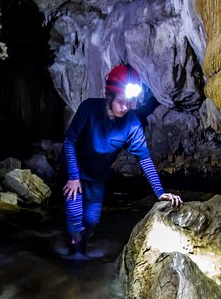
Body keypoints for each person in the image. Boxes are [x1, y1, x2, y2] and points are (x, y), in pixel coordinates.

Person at [62, 63, 183, 254]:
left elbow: (144, 159)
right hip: (75, 170)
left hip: (97, 177)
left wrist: (160, 192)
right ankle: (74, 254)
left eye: (129, 103)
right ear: (109, 96)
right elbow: (70, 141)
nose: (125, 107)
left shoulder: (132, 124)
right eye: (121, 102)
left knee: (92, 222)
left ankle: (81, 250)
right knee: (76, 220)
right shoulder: (89, 109)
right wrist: (73, 176)